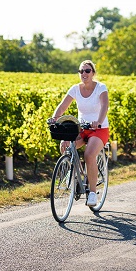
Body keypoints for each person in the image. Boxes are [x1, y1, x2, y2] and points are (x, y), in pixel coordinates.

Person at [51, 60, 109, 207]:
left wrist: (99, 121)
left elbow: (104, 106)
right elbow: (62, 106)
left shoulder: (101, 88)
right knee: (65, 146)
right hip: (81, 128)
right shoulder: (75, 89)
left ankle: (92, 193)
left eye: (87, 71)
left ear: (93, 73)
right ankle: (76, 174)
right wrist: (54, 118)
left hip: (99, 129)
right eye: (81, 71)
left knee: (89, 155)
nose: (84, 74)